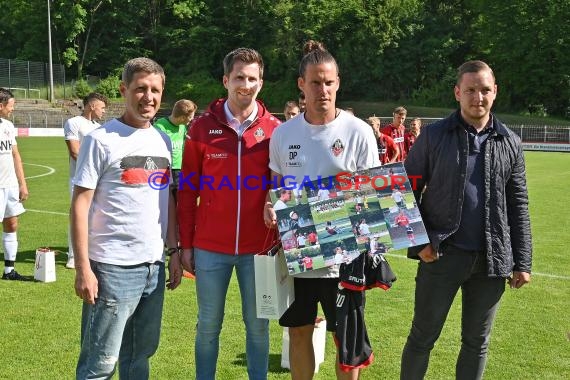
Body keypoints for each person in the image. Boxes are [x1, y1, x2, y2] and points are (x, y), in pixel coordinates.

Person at [400, 60, 532, 380]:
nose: (478, 97)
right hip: (441, 254)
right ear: (458, 92)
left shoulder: (510, 142)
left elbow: (518, 205)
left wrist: (523, 261)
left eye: (485, 90)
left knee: (477, 342)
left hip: (492, 260)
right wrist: (420, 243)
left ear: (495, 92)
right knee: (422, 338)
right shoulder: (433, 136)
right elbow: (404, 193)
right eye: (470, 90)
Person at [265, 40, 379, 379]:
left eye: (329, 82)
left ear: (338, 82)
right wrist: (272, 208)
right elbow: (278, 189)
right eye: (315, 82)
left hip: (344, 256)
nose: (323, 89)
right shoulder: (284, 133)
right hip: (297, 253)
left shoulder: (357, 132)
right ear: (302, 85)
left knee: (346, 340)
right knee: (298, 331)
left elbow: (371, 194)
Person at [176, 47, 280, 380]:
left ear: (261, 83)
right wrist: (186, 244)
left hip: (259, 250)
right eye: (239, 77)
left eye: (252, 78)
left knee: (258, 328)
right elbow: (188, 191)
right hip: (209, 248)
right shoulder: (202, 128)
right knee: (207, 326)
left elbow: (285, 185)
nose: (245, 85)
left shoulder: (276, 129)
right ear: (226, 80)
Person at [72, 58, 178, 379]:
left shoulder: (162, 139)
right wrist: (83, 269)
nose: (149, 97)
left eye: (155, 90)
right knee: (99, 365)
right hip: (111, 270)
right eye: (140, 88)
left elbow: (166, 200)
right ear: (123, 90)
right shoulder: (101, 139)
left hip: (153, 268)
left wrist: (172, 252)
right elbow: (80, 204)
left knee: (138, 360)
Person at [63, 92, 108, 269]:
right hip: (79, 179)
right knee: (78, 214)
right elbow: (74, 152)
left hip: (100, 180)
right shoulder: (73, 123)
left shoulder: (99, 127)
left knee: (97, 216)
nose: (104, 112)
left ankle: (92, 252)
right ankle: (73, 255)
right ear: (92, 105)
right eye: (102, 107)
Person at [0, 88, 30, 281]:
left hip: (9, 185)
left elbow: (15, 155)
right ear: (0, 106)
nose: (12, 109)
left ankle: (9, 270)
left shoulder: (8, 126)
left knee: (12, 223)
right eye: (11, 105)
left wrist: (22, 183)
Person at [153, 99, 197, 202]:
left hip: (179, 170)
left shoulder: (183, 127)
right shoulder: (160, 127)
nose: (191, 120)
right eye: (190, 118)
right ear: (182, 117)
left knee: (179, 201)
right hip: (164, 170)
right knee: (163, 201)